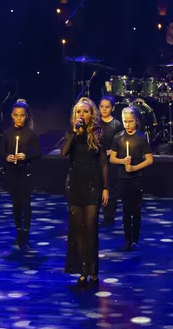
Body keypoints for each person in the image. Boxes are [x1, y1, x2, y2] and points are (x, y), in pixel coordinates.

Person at [60, 98, 109, 286]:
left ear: (91, 114)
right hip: (74, 185)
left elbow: (103, 163)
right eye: (79, 112)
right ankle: (82, 269)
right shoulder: (71, 134)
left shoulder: (98, 134)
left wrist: (105, 187)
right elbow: (63, 152)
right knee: (77, 230)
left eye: (85, 112)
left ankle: (92, 269)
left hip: (92, 186)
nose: (82, 115)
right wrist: (73, 132)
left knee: (90, 229)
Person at [109, 107, 154, 250]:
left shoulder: (141, 138)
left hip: (137, 179)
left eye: (131, 121)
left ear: (136, 121)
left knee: (136, 210)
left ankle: (135, 239)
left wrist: (135, 168)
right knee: (126, 210)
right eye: (125, 121)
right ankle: (127, 239)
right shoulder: (118, 138)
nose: (127, 124)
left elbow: (149, 159)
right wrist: (123, 161)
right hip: (123, 178)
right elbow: (112, 158)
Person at [0, 99, 41, 251]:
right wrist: (7, 157)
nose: (19, 118)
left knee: (25, 202)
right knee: (16, 203)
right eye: (16, 115)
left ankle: (26, 232)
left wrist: (26, 156)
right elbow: (1, 152)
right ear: (12, 115)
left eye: (22, 115)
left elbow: (38, 153)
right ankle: (18, 231)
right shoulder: (7, 133)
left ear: (26, 116)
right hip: (12, 172)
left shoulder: (30, 134)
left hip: (25, 172)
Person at [99, 95, 123, 226]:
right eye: (102, 107)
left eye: (107, 107)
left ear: (112, 108)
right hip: (98, 160)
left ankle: (109, 217)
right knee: (99, 186)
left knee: (111, 188)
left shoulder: (116, 125)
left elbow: (121, 143)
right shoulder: (96, 123)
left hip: (111, 161)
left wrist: (111, 152)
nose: (104, 109)